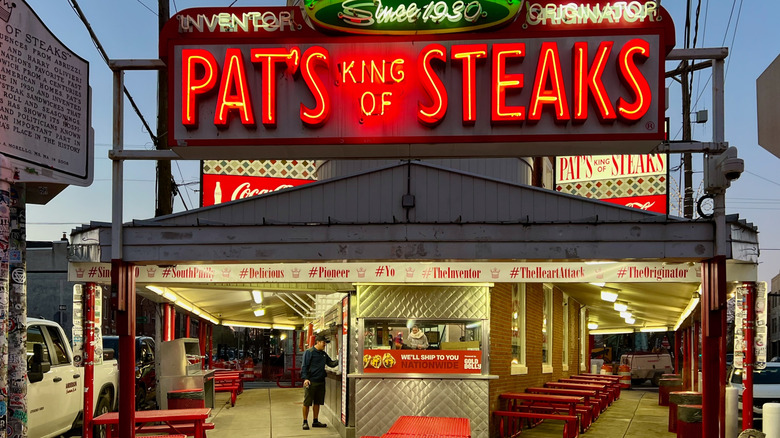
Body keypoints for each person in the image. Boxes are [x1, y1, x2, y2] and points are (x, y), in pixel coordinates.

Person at [301, 333, 338, 430]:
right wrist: (305, 378)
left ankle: (315, 421)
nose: (324, 344)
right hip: (311, 381)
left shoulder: (323, 354)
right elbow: (304, 366)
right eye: (323, 343)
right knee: (307, 402)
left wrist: (341, 359)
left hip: (321, 381)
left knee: (317, 402)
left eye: (325, 343)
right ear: (318, 342)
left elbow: (331, 364)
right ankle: (305, 422)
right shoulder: (309, 352)